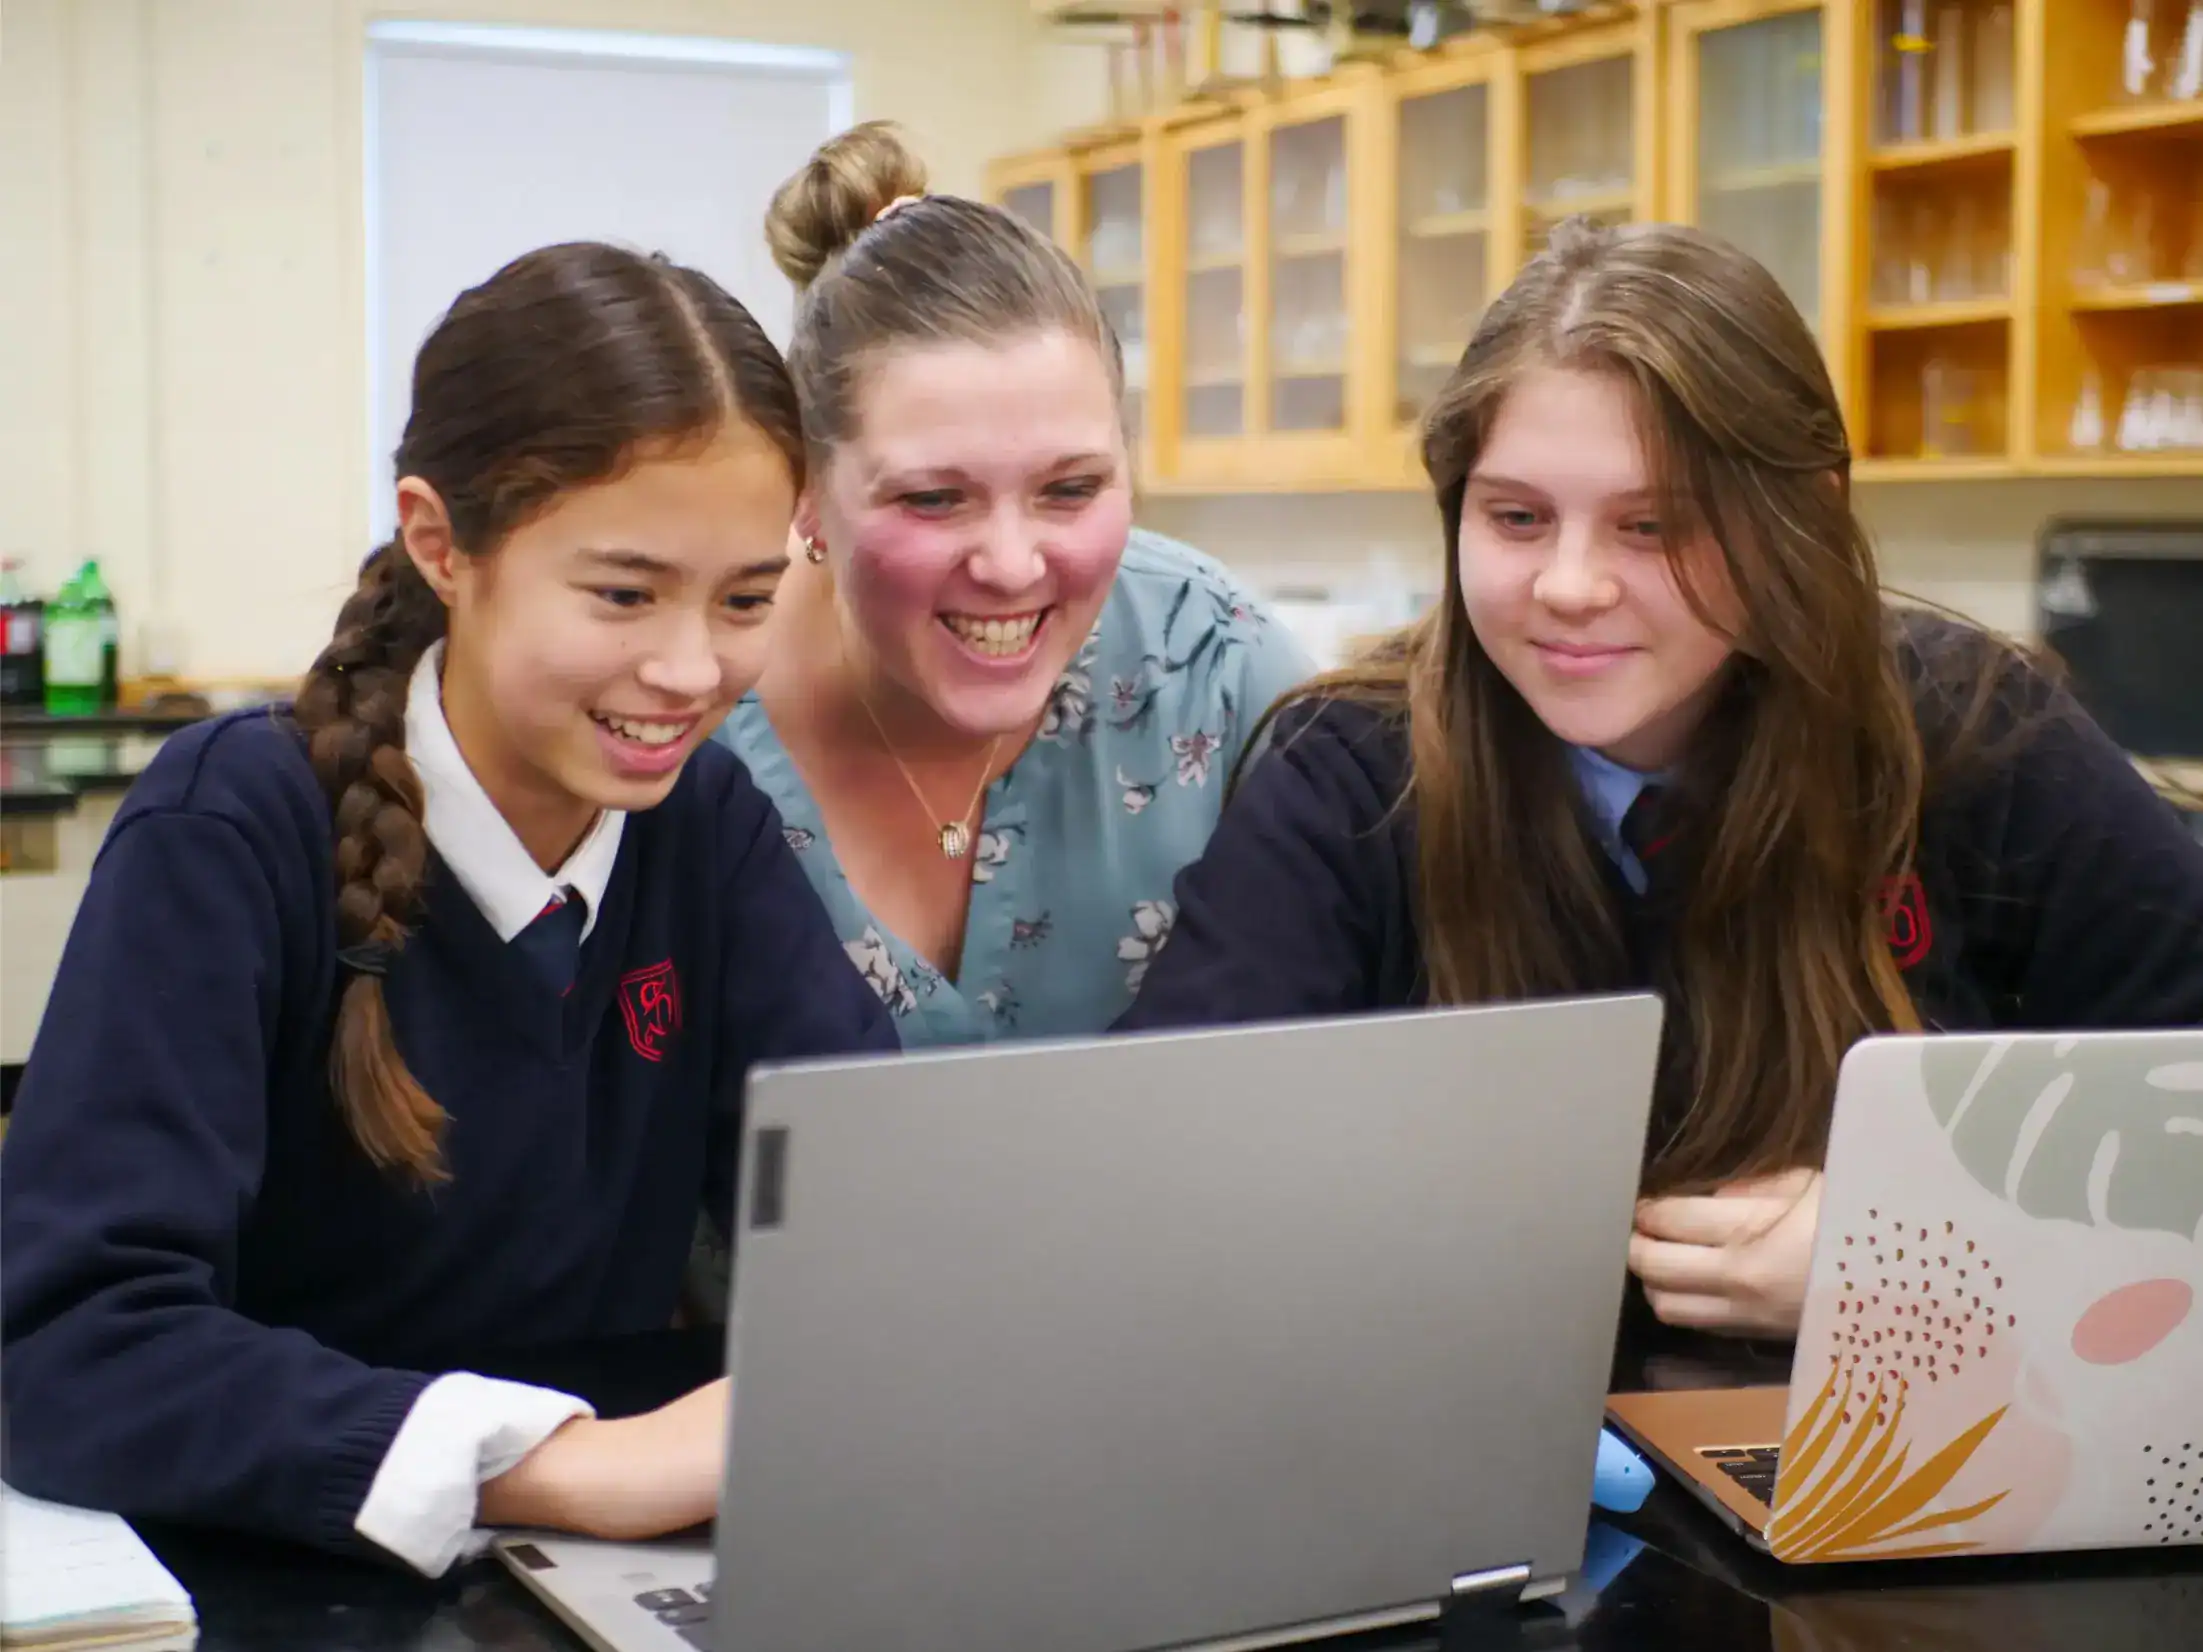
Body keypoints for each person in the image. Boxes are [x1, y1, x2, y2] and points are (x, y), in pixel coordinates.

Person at [1116, 218, 2203, 1340]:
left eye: (1654, 525)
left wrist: (1924, 1251)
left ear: (1808, 515)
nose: (1570, 584)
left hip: (1893, 1475)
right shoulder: (1351, 773)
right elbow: (1160, 1198)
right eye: (1516, 517)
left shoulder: (1976, 734)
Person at [0, 243, 897, 1571]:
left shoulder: (702, 828)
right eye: (621, 593)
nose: (689, 668)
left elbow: (865, 1211)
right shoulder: (232, 828)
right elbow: (67, 1349)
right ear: (441, 544)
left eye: (747, 600)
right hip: (272, 1578)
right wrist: (547, 1469)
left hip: (595, 1576)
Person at [715, 122, 1315, 1046]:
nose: (1011, 564)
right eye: (933, 498)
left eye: (1069, 489)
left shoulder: (1213, 663)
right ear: (805, 489)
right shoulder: (687, 707)